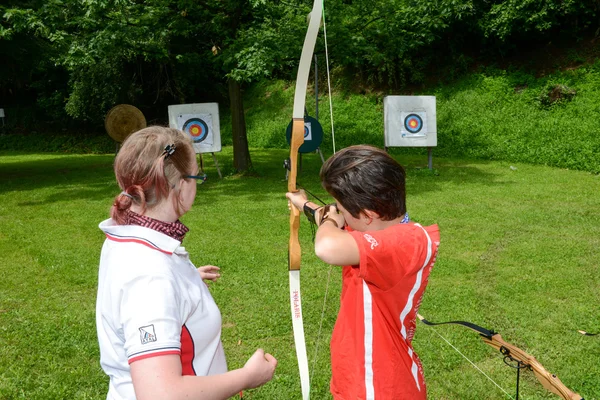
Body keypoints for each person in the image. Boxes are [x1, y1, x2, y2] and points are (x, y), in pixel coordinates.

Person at [96, 126, 277, 400]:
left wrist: (186, 280)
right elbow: (160, 394)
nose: (198, 184)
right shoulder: (151, 277)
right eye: (197, 176)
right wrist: (247, 377)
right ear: (181, 186)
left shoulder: (128, 233)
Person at [286, 145, 440, 400]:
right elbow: (334, 219)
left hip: (379, 385)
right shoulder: (375, 230)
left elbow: (327, 245)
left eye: (342, 209)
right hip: (357, 373)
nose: (340, 215)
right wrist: (303, 203)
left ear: (368, 215)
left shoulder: (408, 241)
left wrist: (331, 220)